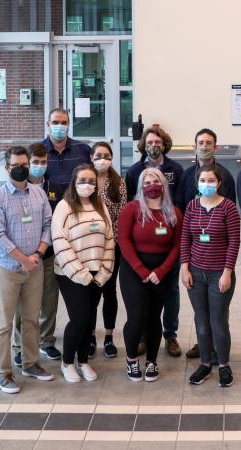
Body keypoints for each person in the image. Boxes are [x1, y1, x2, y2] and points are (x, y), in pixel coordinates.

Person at [0, 146, 54, 394]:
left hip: (34, 267)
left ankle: (30, 363)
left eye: (25, 165)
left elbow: (48, 225)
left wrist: (37, 254)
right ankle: (3, 373)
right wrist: (23, 259)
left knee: (31, 319)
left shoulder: (38, 193)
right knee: (3, 323)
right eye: (17, 165)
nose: (22, 169)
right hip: (8, 269)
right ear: (7, 168)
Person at [177, 128, 237, 361]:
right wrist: (185, 265)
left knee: (218, 315)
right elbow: (183, 214)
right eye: (200, 142)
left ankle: (219, 353)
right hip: (196, 261)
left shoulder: (227, 181)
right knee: (201, 316)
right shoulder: (187, 176)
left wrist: (227, 271)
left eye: (208, 142)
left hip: (218, 263)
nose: (204, 145)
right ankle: (204, 346)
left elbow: (232, 233)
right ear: (194, 146)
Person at [52, 164, 115, 383]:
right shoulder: (64, 206)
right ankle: (67, 362)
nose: (86, 185)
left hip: (97, 272)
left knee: (89, 319)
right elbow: (60, 242)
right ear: (74, 182)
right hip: (71, 273)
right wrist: (81, 274)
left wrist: (104, 271)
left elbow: (109, 239)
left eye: (91, 181)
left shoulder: (100, 206)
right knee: (79, 317)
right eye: (82, 181)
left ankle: (83, 361)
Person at [118, 168, 182, 382]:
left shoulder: (173, 212)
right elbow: (124, 242)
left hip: (161, 272)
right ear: (140, 186)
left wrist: (161, 271)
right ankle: (131, 359)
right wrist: (142, 270)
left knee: (155, 318)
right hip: (133, 270)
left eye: (156, 181)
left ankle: (152, 361)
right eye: (147, 182)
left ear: (163, 184)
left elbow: (177, 245)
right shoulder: (131, 209)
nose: (151, 185)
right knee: (137, 317)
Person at [125, 126, 183, 358]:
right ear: (143, 144)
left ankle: (170, 335)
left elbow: (179, 199)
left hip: (169, 237)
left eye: (158, 141)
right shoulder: (134, 171)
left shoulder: (176, 169)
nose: (154, 145)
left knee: (170, 291)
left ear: (164, 144)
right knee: (141, 296)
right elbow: (133, 200)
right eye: (150, 141)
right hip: (143, 237)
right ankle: (142, 337)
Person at [181, 165, 240, 387]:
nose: (207, 184)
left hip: (219, 275)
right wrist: (184, 267)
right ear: (197, 183)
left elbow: (234, 242)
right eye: (203, 180)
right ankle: (205, 364)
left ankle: (223, 365)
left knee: (218, 322)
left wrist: (227, 273)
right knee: (201, 322)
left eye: (211, 180)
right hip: (195, 273)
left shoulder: (228, 207)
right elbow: (185, 238)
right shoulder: (192, 206)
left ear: (219, 183)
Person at [12, 143, 62, 367]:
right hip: (21, 257)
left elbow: (56, 222)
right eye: (35, 162)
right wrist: (22, 256)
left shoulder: (56, 188)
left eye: (43, 162)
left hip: (48, 255)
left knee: (49, 301)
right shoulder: (18, 187)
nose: (39, 166)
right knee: (22, 305)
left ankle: (46, 340)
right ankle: (19, 346)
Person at [89, 142, 127, 358]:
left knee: (109, 292)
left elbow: (121, 215)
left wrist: (112, 243)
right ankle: (91, 335)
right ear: (91, 156)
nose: (102, 159)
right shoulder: (85, 181)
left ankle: (110, 337)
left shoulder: (118, 183)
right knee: (92, 292)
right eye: (98, 155)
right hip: (90, 247)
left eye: (106, 155)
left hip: (113, 246)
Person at [41, 107, 91, 193]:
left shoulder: (83, 149)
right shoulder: (37, 150)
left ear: (68, 125)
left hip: (77, 203)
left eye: (64, 123)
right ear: (48, 124)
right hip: (47, 203)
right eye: (55, 122)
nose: (59, 126)